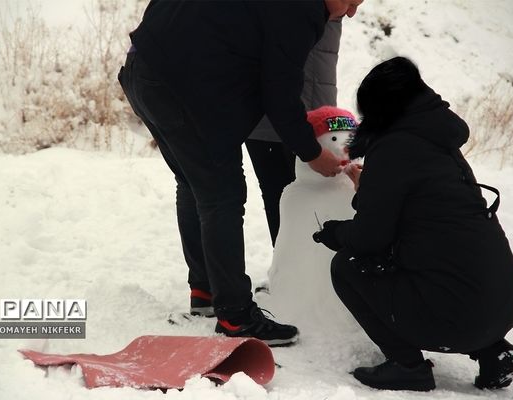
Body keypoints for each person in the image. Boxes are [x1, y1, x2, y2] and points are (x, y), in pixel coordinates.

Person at [118, 0, 364, 346]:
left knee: (194, 185)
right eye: (352, 1)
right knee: (223, 197)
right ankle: (235, 316)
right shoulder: (302, 9)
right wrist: (311, 152)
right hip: (181, 85)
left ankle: (206, 291)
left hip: (144, 68)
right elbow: (280, 91)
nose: (351, 12)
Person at [314, 57, 513, 390]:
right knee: (441, 261)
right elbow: (422, 214)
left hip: (459, 317)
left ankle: (407, 365)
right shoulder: (437, 142)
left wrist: (335, 232)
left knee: (347, 266)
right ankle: (492, 350)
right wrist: (371, 190)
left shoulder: (394, 149)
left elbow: (369, 239)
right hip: (501, 307)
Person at [246, 19, 343, 247]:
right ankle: (298, 273)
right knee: (309, 195)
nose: (351, 12)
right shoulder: (305, 10)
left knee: (280, 196)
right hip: (307, 119)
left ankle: (291, 272)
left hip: (261, 111)